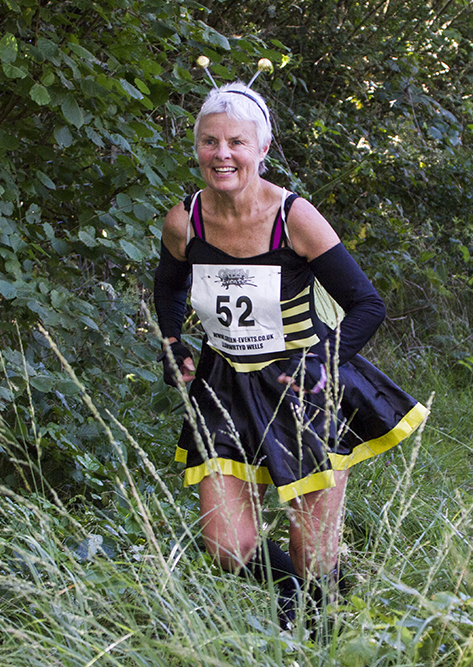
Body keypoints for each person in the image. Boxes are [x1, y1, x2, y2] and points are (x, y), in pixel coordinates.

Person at [153, 82, 428, 629]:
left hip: (300, 385)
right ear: (198, 149)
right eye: (210, 142)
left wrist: (321, 362)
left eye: (236, 142)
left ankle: (316, 631)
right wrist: (171, 341)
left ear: (262, 148)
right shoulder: (184, 220)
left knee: (314, 548)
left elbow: (367, 304)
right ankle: (296, 595)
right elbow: (168, 287)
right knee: (227, 546)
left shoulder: (293, 217)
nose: (223, 154)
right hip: (223, 386)